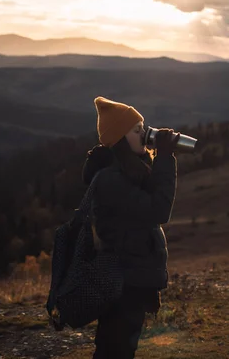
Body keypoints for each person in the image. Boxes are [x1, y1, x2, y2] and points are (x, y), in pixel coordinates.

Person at [82, 96, 180, 359]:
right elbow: (159, 210)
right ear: (120, 138)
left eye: (144, 127)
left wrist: (159, 157)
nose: (146, 134)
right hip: (122, 281)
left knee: (118, 349)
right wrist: (165, 157)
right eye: (137, 131)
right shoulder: (111, 180)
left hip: (130, 279)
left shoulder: (128, 172)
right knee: (115, 350)